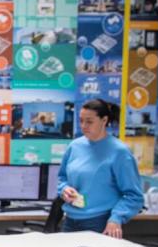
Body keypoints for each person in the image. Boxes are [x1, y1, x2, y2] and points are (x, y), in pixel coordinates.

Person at [58, 99, 143, 238]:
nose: (83, 126)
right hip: (69, 221)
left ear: (104, 120)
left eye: (89, 121)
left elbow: (134, 196)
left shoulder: (119, 152)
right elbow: (62, 178)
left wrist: (116, 218)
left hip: (100, 223)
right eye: (81, 120)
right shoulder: (74, 146)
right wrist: (64, 189)